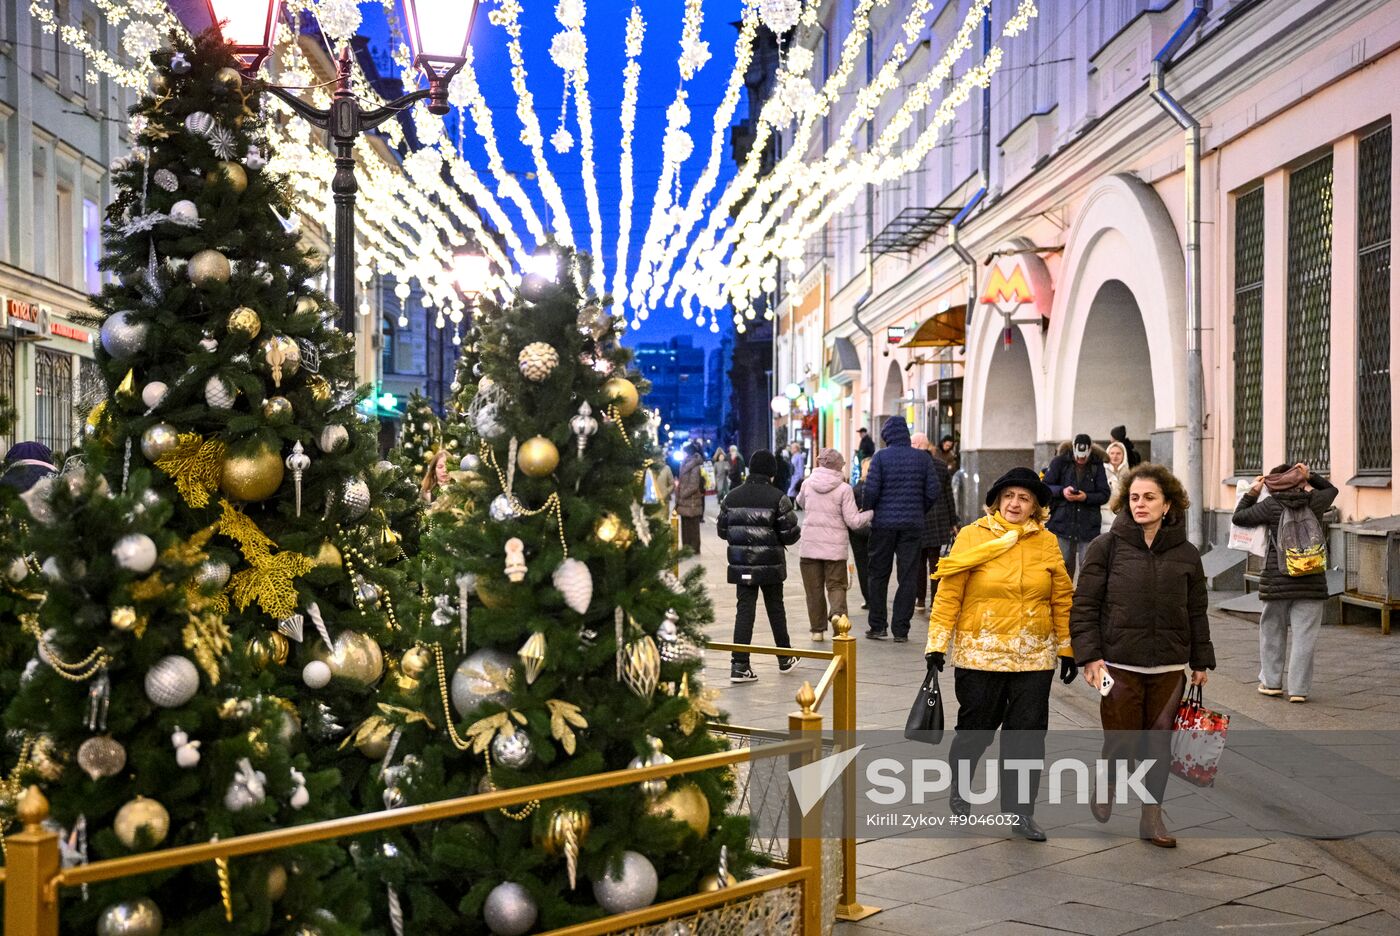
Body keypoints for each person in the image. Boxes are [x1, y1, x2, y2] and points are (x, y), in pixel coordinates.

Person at [925, 467, 1075, 841]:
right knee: (975, 733)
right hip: (981, 655)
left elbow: (1062, 598)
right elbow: (949, 594)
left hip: (1033, 656)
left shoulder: (1047, 542)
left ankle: (1021, 813)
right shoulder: (972, 537)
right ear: (996, 501)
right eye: (1009, 495)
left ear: (1035, 506)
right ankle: (961, 791)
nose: (1015, 503)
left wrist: (1068, 647)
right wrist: (936, 644)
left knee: (1026, 737)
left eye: (1024, 498)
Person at [1071, 463, 1215, 847]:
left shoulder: (1187, 554)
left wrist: (1200, 661)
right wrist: (1089, 657)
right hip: (1118, 665)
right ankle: (1110, 778)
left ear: (1168, 504)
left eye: (1149, 497)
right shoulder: (1106, 547)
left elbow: (1196, 609)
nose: (1141, 504)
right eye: (1134, 497)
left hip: (1169, 666)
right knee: (1122, 740)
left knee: (1157, 744)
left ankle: (1151, 818)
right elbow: (1085, 605)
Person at [1231, 463, 1337, 703]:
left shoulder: (1270, 505)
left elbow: (1239, 517)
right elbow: (1332, 490)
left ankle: (1271, 683)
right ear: (1299, 480)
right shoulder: (1315, 502)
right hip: (1311, 581)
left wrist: (1252, 493)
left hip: (1277, 579)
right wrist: (1311, 476)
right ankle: (1298, 690)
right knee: (1305, 637)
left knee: (1272, 631)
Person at [717, 449, 800, 682]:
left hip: (742, 564)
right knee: (776, 608)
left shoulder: (731, 497)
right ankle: (785, 657)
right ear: (771, 472)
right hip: (770, 566)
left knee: (744, 611)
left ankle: (739, 665)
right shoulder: (778, 497)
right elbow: (791, 534)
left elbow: (723, 531)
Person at [863, 416, 941, 642]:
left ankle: (878, 626)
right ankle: (901, 629)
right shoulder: (922, 459)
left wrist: (870, 509)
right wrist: (919, 509)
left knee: (878, 574)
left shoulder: (880, 458)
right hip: (912, 525)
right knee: (908, 576)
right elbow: (933, 491)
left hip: (883, 525)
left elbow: (871, 490)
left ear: (887, 436)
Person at [797, 449, 873, 640]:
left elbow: (800, 503)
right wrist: (871, 513)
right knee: (836, 585)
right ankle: (838, 617)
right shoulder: (844, 489)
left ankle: (817, 631)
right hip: (835, 549)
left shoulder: (807, 484)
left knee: (813, 590)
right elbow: (854, 521)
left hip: (809, 547)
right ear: (839, 466)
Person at [1043, 433, 1110, 578]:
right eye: (1078, 457)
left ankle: (1082, 597)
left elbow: (1105, 494)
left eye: (1084, 457)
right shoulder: (1059, 463)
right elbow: (1045, 486)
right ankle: (1063, 598)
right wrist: (1062, 491)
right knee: (1062, 565)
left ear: (1090, 451)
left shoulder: (1097, 466)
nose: (1081, 460)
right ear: (1073, 449)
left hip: (1088, 524)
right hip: (1062, 523)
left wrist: (1086, 497)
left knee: (1087, 565)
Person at [911, 433, 959, 610]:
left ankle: (920, 600)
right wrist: (953, 522)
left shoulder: (912, 466)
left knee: (919, 562)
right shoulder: (940, 465)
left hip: (918, 516)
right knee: (935, 560)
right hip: (938, 519)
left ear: (916, 445)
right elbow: (948, 495)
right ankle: (935, 600)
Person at [675, 440, 706, 552]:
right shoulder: (685, 464)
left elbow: (693, 485)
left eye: (684, 452)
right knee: (685, 526)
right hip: (685, 501)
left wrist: (682, 494)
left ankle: (694, 548)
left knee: (693, 526)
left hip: (691, 500)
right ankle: (686, 547)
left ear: (688, 453)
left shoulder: (694, 466)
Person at [850, 470, 872, 610]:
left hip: (856, 531)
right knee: (875, 565)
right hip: (874, 530)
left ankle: (867, 599)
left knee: (861, 565)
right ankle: (875, 597)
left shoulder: (854, 489)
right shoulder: (876, 488)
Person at [1101, 441, 1129, 533]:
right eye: (1112, 453)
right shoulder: (1101, 472)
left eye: (1118, 453)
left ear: (1123, 456)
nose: (1115, 456)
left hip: (1121, 515)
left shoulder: (1128, 474)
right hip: (1104, 514)